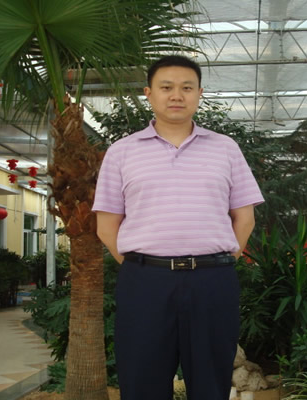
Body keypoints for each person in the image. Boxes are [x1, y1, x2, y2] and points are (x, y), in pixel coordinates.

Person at [93, 54, 264, 400]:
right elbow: (106, 225)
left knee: (211, 383)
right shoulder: (122, 152)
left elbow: (244, 217)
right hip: (145, 284)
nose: (176, 95)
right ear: (149, 93)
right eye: (166, 87)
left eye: (187, 88)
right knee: (142, 382)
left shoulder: (225, 149)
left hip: (212, 281)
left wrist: (222, 260)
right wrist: (144, 266)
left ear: (199, 93)